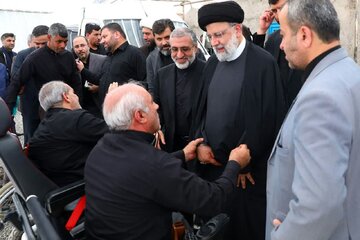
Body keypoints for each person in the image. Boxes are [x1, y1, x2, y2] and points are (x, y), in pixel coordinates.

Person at [84, 82, 251, 240]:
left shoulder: (99, 150)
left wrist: (182, 155)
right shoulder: (154, 164)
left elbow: (136, 173)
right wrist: (235, 163)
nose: (157, 106)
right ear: (140, 116)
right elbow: (214, 199)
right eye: (151, 103)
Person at [266, 0, 360, 239]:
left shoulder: (321, 96)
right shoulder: (349, 72)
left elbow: (320, 204)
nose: (282, 45)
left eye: (285, 35)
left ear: (305, 35)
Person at [194, 1, 285, 239]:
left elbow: (269, 119)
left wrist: (246, 162)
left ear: (236, 30)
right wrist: (201, 142)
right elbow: (202, 109)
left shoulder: (263, 63)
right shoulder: (212, 63)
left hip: (246, 177)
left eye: (219, 35)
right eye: (210, 36)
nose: (214, 42)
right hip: (214, 172)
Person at [5, 23, 82, 144]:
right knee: (36, 141)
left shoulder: (68, 56)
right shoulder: (34, 58)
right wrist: (7, 112)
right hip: (40, 109)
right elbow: (16, 82)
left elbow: (76, 82)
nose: (63, 45)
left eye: (65, 42)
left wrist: (77, 105)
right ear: (50, 38)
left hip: (64, 109)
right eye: (59, 41)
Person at [28, 81, 107, 187]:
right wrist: (111, 103)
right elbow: (117, 132)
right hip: (82, 189)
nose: (76, 96)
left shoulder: (43, 127)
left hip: (57, 189)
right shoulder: (76, 119)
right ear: (66, 97)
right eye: (73, 93)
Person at [153, 27, 205, 153]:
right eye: (174, 49)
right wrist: (156, 128)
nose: (179, 55)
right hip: (171, 146)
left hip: (201, 146)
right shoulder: (162, 75)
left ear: (195, 47)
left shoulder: (208, 71)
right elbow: (156, 107)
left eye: (185, 49)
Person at [253, 0, 303, 109]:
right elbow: (259, 67)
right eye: (274, 11)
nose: (279, 14)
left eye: (282, 8)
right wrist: (261, 31)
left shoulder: (309, 34)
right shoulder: (273, 40)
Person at [83, 23, 146, 103]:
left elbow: (145, 82)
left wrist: (122, 91)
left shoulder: (135, 53)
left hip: (125, 108)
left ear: (116, 34)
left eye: (105, 37)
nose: (102, 41)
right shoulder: (109, 56)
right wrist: (82, 70)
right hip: (107, 109)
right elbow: (100, 80)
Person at [146, 19, 205, 94]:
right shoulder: (151, 59)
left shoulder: (194, 53)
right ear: (154, 39)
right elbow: (152, 89)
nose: (164, 43)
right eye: (159, 39)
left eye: (167, 37)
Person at [73, 36, 106, 118]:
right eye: (77, 46)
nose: (80, 49)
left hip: (99, 106)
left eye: (82, 45)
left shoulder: (102, 60)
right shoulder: (72, 63)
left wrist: (99, 87)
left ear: (88, 45)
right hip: (81, 107)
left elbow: (107, 80)